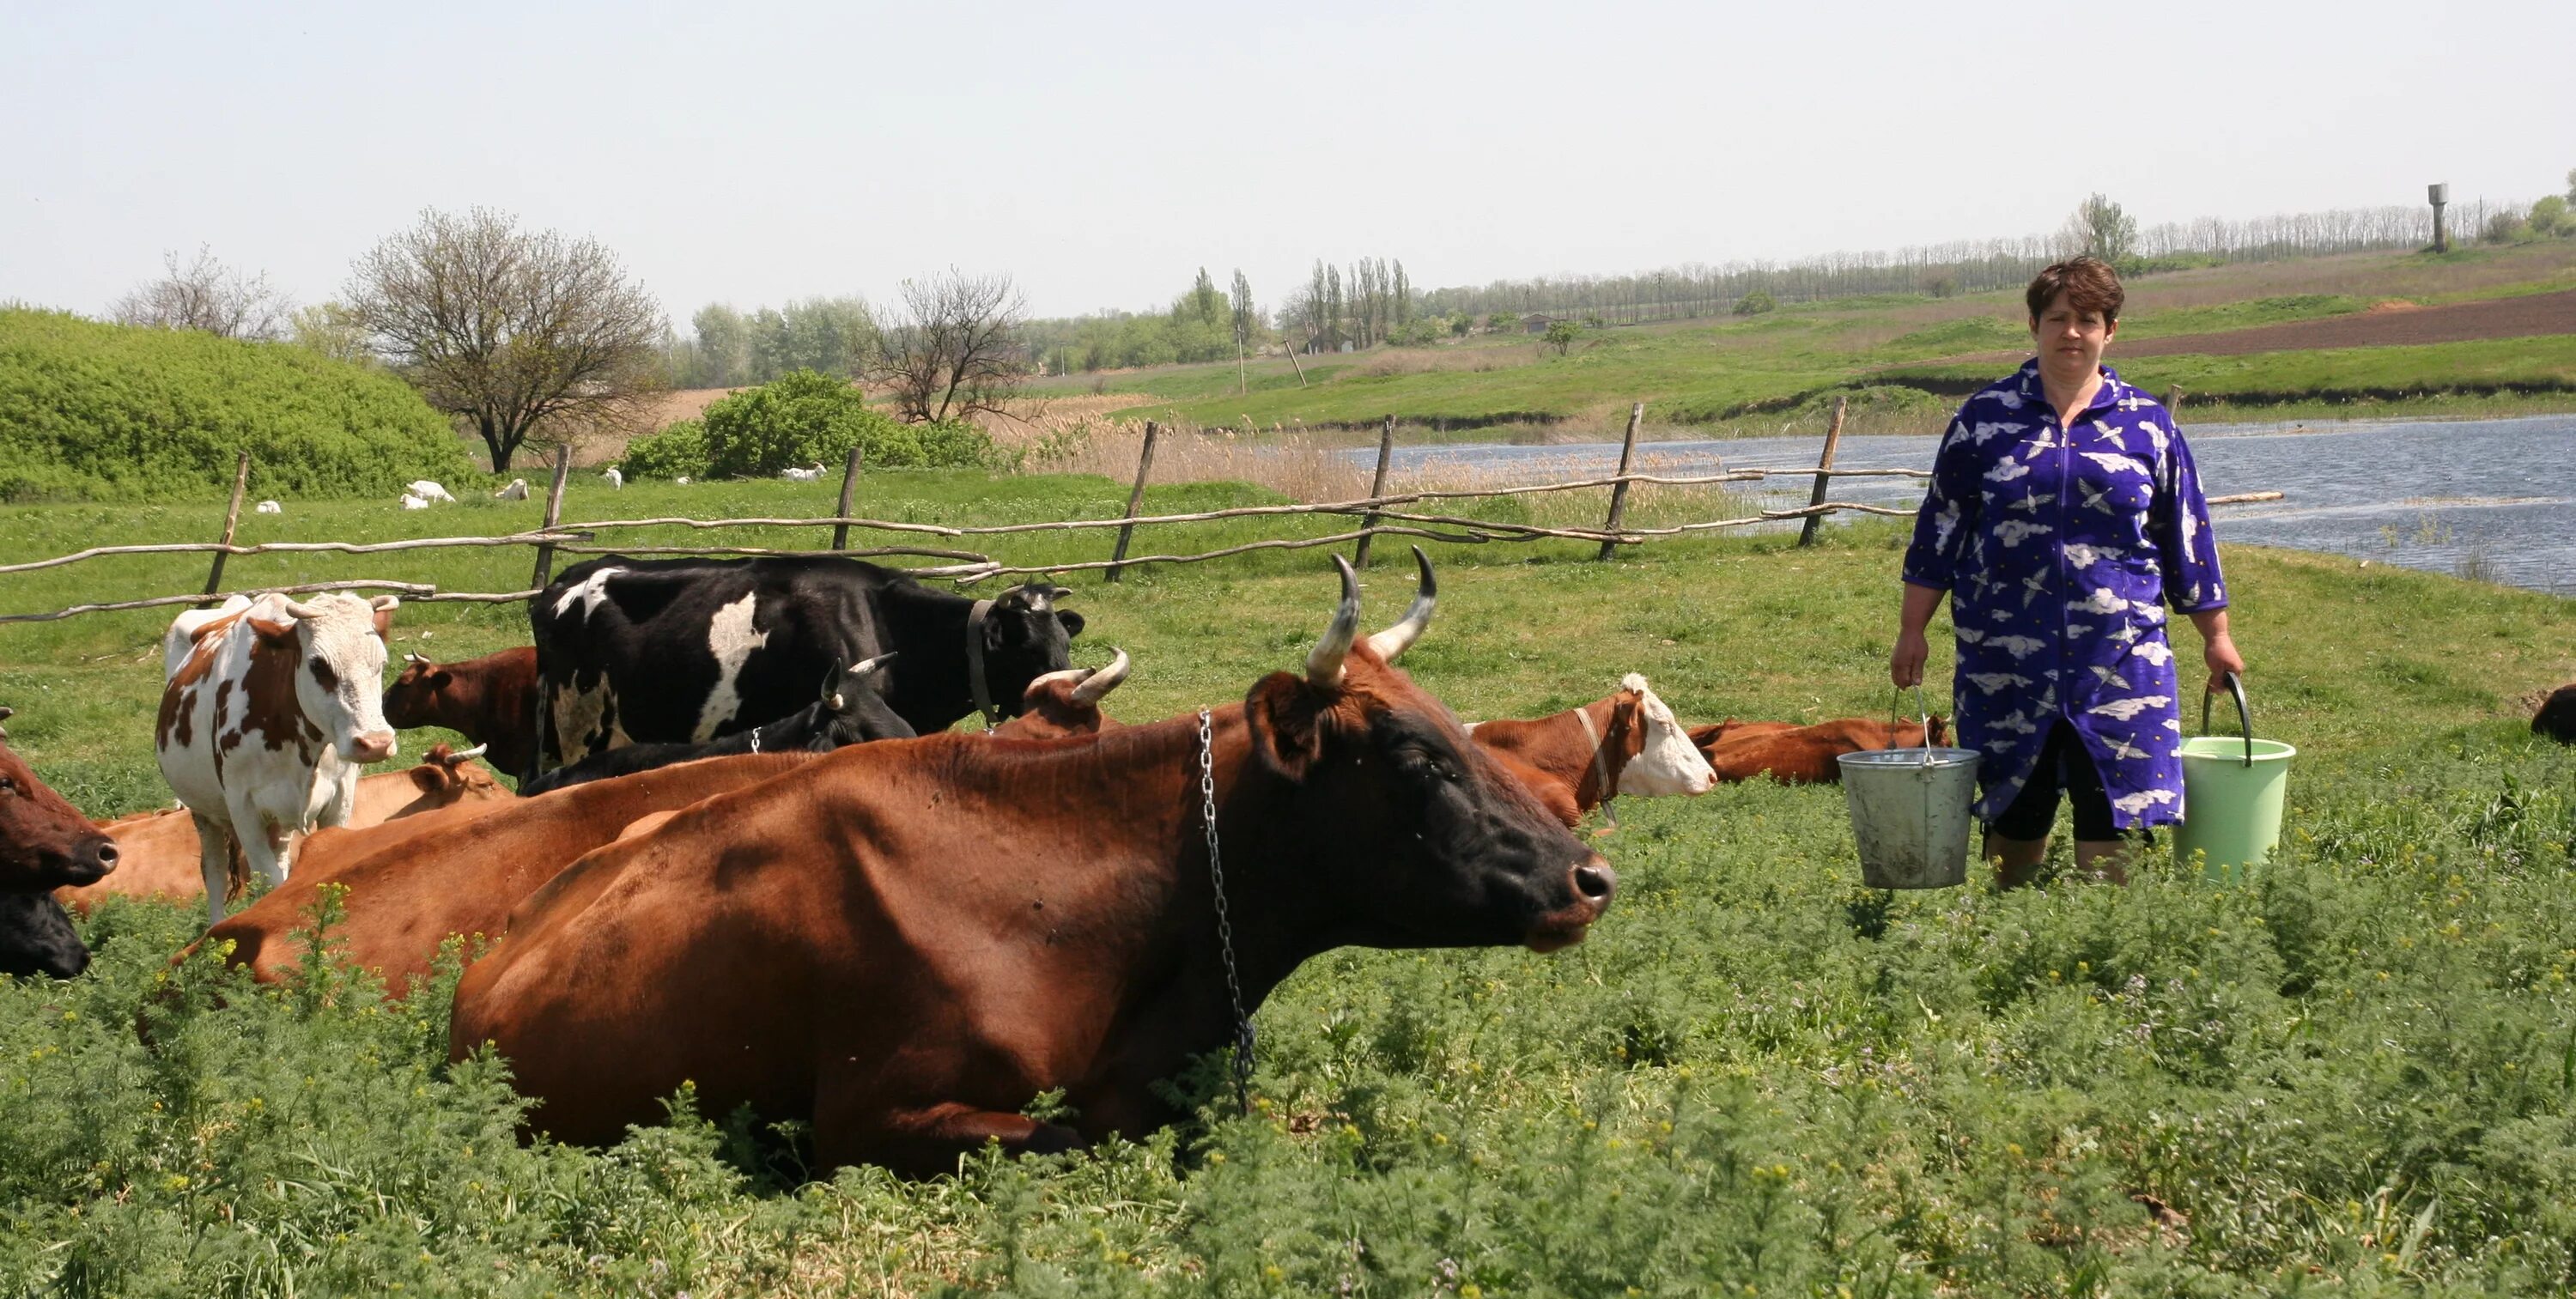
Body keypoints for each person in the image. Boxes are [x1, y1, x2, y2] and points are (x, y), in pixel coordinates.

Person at [1888, 257, 2245, 887]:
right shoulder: (1985, 419)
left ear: (2111, 330)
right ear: (2033, 324)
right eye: (2058, 318)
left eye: (2088, 319)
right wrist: (1912, 629)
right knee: (2013, 823)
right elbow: (1939, 530)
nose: (2071, 332)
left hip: (2120, 660)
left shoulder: (2147, 424)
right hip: (2006, 663)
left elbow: (2186, 537)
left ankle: (2107, 957)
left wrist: (2216, 637)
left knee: (2113, 826)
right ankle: (2013, 942)